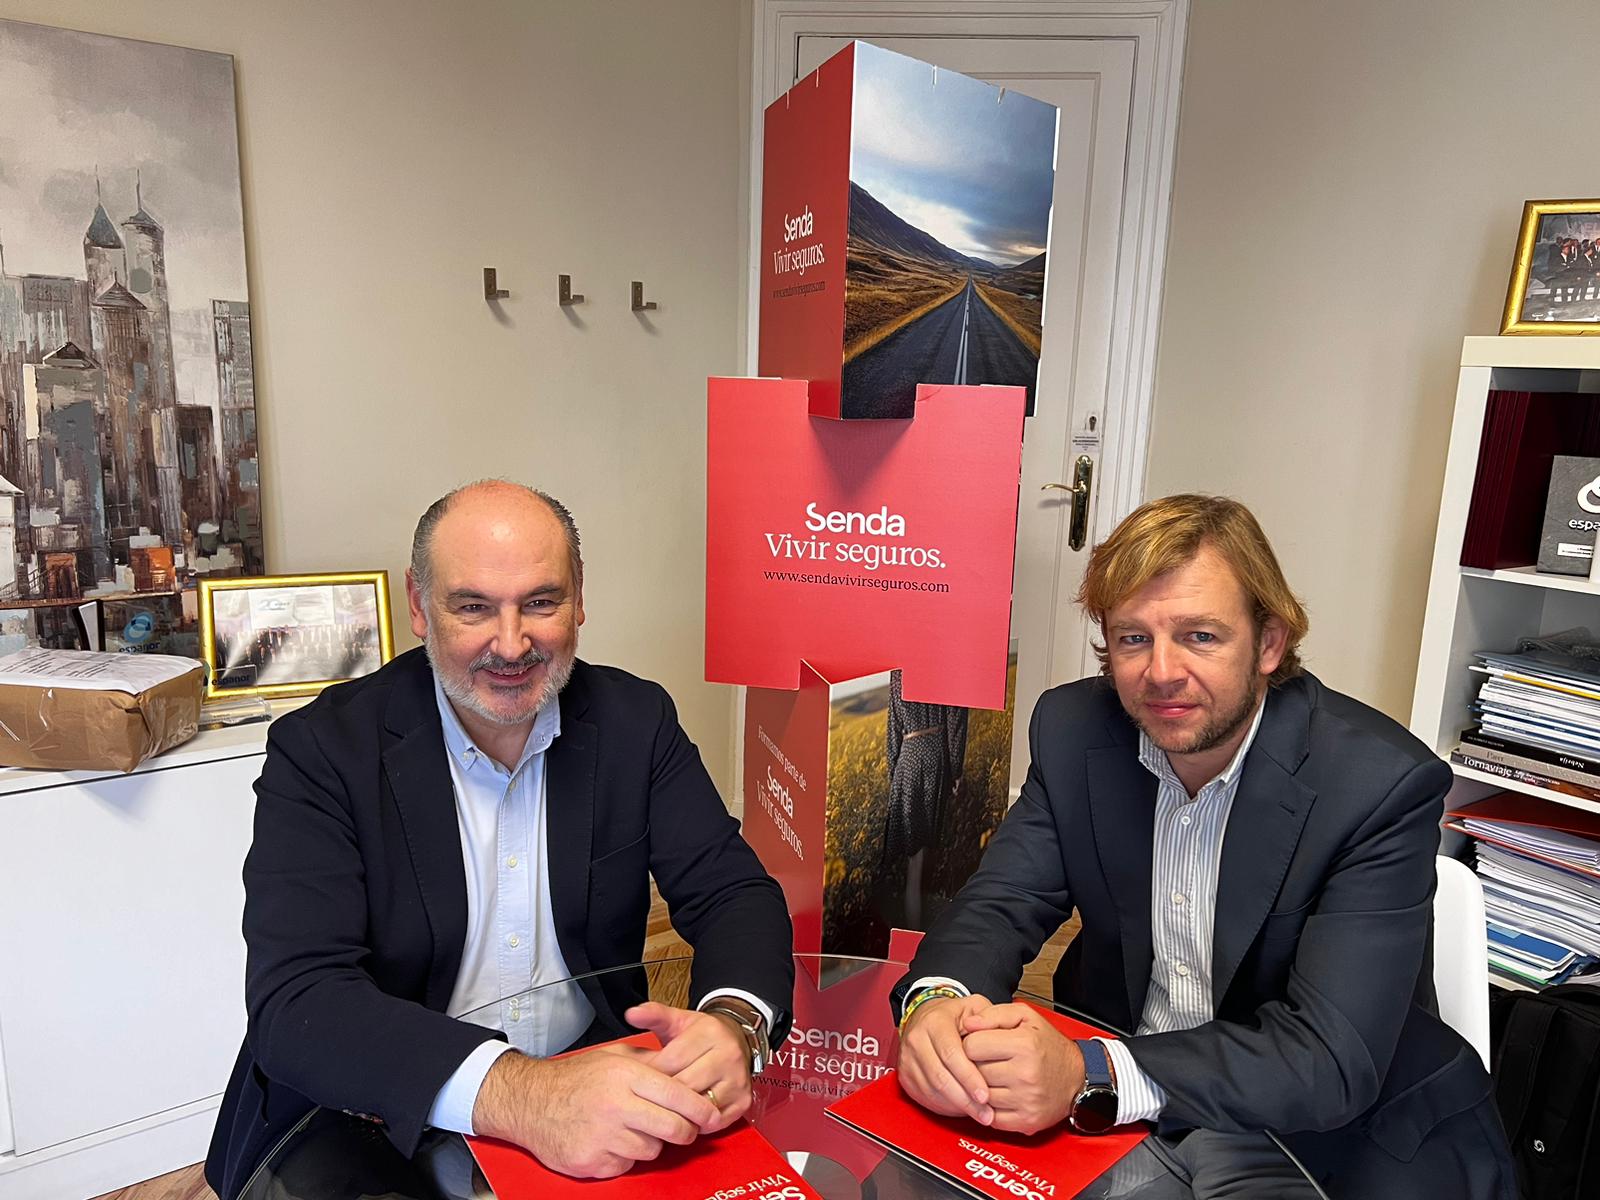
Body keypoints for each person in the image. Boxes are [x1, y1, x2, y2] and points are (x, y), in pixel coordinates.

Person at [892, 494, 1516, 1198]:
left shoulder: (1376, 784)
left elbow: (1328, 1058)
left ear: (1269, 643)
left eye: (1200, 636)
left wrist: (1093, 1071)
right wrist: (937, 1001)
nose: (1161, 671)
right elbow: (1001, 903)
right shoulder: (1073, 729)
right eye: (1133, 638)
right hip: (1124, 1114)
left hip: (1324, 1134)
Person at [206, 480, 794, 1198]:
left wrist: (734, 1021)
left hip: (594, 1082)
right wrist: (525, 1097)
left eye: (540, 603)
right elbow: (300, 999)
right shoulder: (322, 749)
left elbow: (733, 892)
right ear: (419, 605)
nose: (511, 644)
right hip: (371, 1115)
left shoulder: (636, 721)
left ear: (579, 599)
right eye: (473, 607)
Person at [883, 668, 969, 928]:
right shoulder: (945, 666)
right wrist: (956, 769)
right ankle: (916, 933)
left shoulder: (898, 672)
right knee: (922, 858)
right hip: (935, 756)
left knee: (915, 859)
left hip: (907, 758)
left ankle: (912, 931)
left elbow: (893, 726)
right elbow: (956, 719)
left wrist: (895, 772)